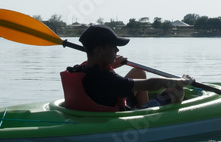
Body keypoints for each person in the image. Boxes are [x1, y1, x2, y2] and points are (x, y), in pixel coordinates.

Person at [64, 25, 192, 110]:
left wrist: (111, 65)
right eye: (113, 46)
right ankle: (146, 117)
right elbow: (150, 84)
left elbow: (98, 74)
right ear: (99, 51)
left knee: (139, 72)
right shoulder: (107, 79)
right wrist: (181, 81)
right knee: (177, 90)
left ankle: (143, 107)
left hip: (101, 101)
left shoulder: (80, 68)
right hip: (119, 115)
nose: (117, 49)